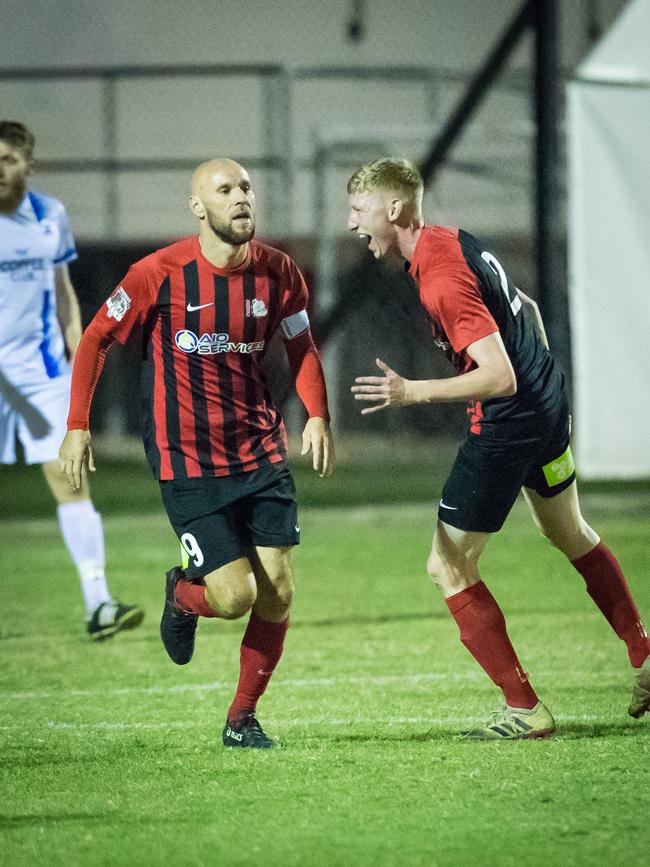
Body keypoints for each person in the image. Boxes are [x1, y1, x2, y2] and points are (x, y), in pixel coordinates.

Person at [347, 157, 650, 739]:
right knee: (570, 531)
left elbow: (498, 376)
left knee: (447, 563)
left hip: (511, 419)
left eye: (360, 210)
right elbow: (527, 310)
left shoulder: (438, 275)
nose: (353, 223)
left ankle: (525, 709)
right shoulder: (453, 240)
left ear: (393, 209)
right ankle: (645, 653)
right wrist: (536, 390)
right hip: (547, 400)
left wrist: (413, 391)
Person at [59, 158, 335, 749]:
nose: (240, 198)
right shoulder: (157, 273)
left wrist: (317, 414)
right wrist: (78, 425)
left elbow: (302, 344)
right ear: (197, 207)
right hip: (187, 459)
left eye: (246, 188)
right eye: (224, 190)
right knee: (234, 598)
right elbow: (95, 339)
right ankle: (183, 595)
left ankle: (242, 719)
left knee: (279, 588)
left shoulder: (280, 272)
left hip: (259, 450)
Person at [0, 120, 144, 640]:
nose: (0, 169)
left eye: (9, 159)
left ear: (28, 164)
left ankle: (99, 603)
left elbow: (62, 290)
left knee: (70, 482)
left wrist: (77, 346)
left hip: (41, 373)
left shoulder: (49, 216)